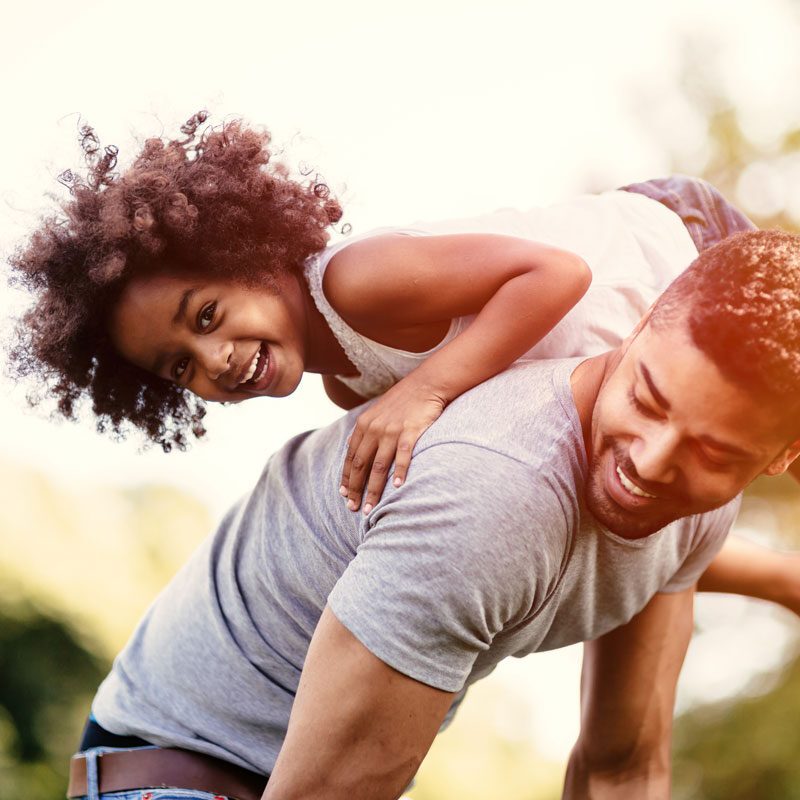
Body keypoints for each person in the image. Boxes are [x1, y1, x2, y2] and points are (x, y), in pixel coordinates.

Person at [62, 225, 800, 800]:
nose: (651, 459)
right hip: (183, 765)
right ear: (634, 331)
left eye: (713, 451)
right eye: (646, 398)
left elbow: (623, 768)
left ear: (781, 457)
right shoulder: (493, 496)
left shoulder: (697, 514)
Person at [10, 113, 800, 619]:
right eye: (180, 368)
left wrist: (426, 389)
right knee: (620, 504)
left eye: (208, 316)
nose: (215, 359)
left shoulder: (358, 280)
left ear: (244, 252)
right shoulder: (345, 381)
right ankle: (778, 579)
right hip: (630, 363)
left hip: (684, 249)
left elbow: (556, 277)